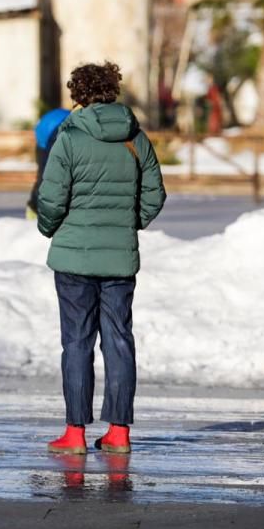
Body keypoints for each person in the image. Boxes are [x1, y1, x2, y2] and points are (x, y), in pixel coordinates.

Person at [36, 61, 166, 456]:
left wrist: (50, 228)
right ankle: (119, 433)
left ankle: (74, 434)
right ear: (113, 91)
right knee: (119, 341)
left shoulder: (70, 137)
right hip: (119, 262)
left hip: (74, 260)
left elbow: (51, 197)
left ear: (78, 95)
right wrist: (129, 225)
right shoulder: (135, 138)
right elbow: (155, 195)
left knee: (76, 343)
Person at [26, 107, 70, 220]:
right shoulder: (57, 136)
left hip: (50, 128)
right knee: (46, 176)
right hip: (46, 139)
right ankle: (34, 209)